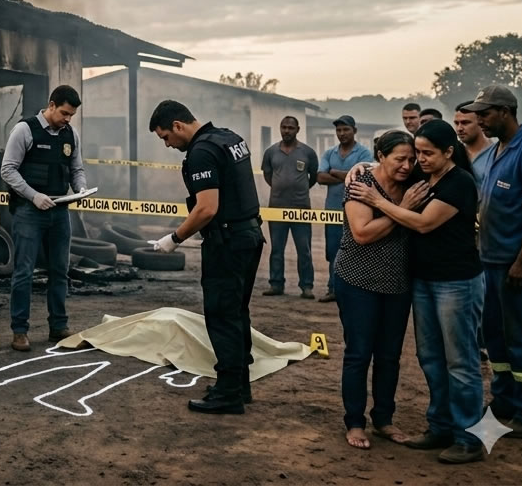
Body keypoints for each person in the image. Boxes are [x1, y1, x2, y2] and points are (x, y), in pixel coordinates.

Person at [348, 120, 485, 463]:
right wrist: (361, 165)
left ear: (448, 153)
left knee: (461, 362)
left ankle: (470, 438)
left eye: (426, 153)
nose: (417, 160)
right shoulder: (423, 178)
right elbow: (384, 168)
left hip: (455, 282)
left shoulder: (459, 184)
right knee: (431, 359)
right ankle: (440, 427)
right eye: (415, 154)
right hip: (422, 282)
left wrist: (377, 202)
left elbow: (423, 223)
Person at [147, 100, 264, 414]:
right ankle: (239, 385)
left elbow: (207, 208)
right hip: (250, 235)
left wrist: (174, 238)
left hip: (228, 242)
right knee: (237, 313)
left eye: (166, 138)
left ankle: (228, 394)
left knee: (222, 315)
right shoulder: (230, 138)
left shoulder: (201, 151)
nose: (168, 145)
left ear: (178, 125)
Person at [463, 85, 522, 438]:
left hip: (518, 265)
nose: (479, 120)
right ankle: (506, 398)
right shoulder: (498, 149)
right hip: (492, 261)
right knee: (495, 334)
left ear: (506, 112)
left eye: (485, 113)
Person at [335, 131, 416, 451]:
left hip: (397, 283)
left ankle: (384, 419)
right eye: (399, 159)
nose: (407, 165)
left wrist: (397, 206)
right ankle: (355, 422)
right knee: (359, 353)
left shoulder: (413, 183)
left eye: (411, 159)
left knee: (389, 356)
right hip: (358, 281)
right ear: (381, 156)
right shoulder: (361, 185)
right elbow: (362, 233)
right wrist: (403, 211)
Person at [0, 85, 86, 352]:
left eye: (71, 115)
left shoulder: (70, 134)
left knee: (60, 271)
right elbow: (7, 170)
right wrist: (34, 195)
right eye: (63, 113)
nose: (67, 119)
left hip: (60, 212)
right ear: (51, 105)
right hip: (29, 212)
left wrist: (81, 187)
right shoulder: (24, 130)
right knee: (24, 271)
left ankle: (58, 326)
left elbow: (77, 169)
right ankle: (20, 331)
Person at [316, 116, 374, 302]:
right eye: (339, 130)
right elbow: (320, 178)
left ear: (354, 131)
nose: (342, 134)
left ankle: (355, 290)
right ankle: (333, 289)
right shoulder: (330, 153)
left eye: (345, 130)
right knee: (333, 251)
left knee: (358, 250)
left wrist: (334, 172)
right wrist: (349, 174)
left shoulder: (364, 153)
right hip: (332, 211)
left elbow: (364, 177)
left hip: (358, 211)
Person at [262, 116, 319, 298]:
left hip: (301, 207)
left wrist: (299, 189)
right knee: (277, 248)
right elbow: (267, 175)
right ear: (280, 128)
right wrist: (280, 188)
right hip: (277, 207)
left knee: (304, 249)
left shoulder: (308, 152)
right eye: (284, 127)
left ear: (297, 129)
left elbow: (314, 176)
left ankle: (307, 286)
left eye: (291, 128)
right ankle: (276, 284)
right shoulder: (271, 152)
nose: (287, 131)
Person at [454, 102, 495, 195]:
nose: (459, 128)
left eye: (465, 123)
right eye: (456, 123)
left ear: (480, 122)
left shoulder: (497, 154)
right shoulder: (454, 154)